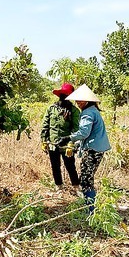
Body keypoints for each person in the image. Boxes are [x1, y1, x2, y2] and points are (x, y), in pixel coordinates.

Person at [56, 84, 110, 214]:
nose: (78, 103)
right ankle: (90, 208)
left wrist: (68, 138)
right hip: (96, 149)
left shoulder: (87, 113)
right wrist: (77, 146)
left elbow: (84, 133)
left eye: (81, 100)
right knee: (87, 178)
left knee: (86, 180)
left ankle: (90, 211)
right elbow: (90, 135)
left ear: (88, 100)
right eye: (77, 100)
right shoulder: (93, 111)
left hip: (93, 151)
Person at [40, 82, 80, 192]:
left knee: (70, 166)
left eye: (67, 96)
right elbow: (45, 125)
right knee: (55, 166)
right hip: (52, 143)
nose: (64, 97)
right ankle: (59, 187)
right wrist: (44, 140)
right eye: (63, 95)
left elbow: (76, 129)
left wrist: (71, 144)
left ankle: (76, 187)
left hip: (67, 144)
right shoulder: (51, 109)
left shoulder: (74, 111)